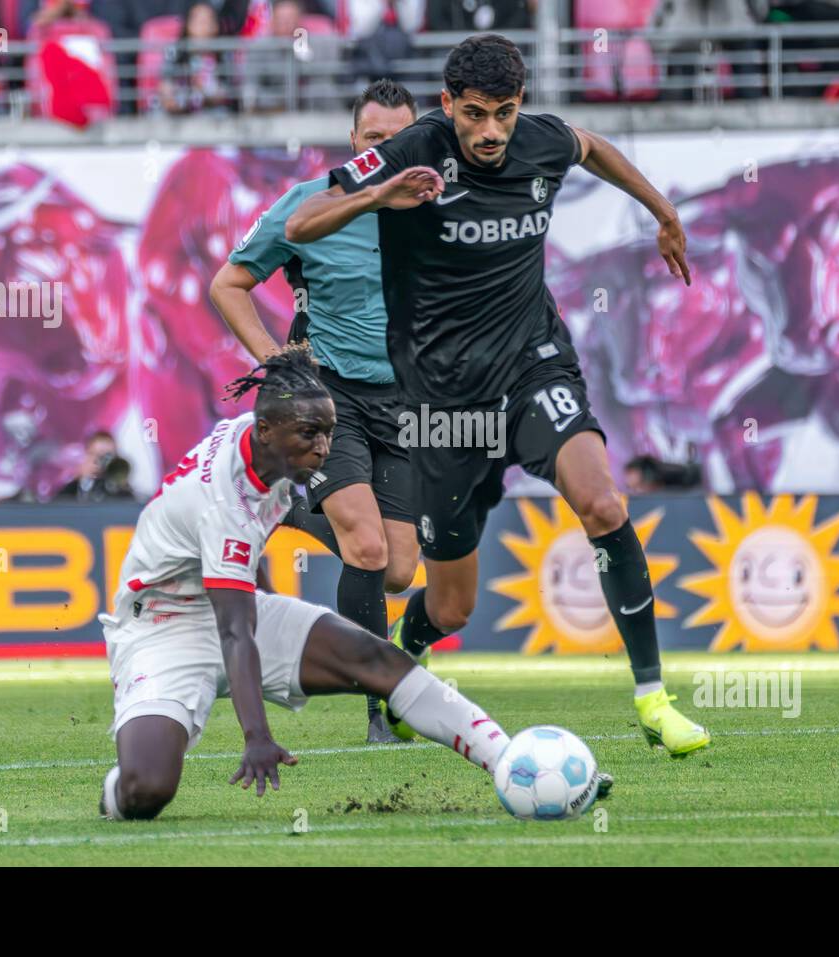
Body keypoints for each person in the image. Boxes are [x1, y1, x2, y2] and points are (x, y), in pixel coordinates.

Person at [285, 33, 710, 756]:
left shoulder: (540, 143)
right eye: (475, 114)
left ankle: (652, 697)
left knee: (603, 502)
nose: (489, 132)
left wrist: (661, 210)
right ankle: (409, 641)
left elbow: (593, 146)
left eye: (504, 114)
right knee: (450, 601)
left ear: (522, 107)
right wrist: (383, 195)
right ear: (448, 105)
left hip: (531, 367)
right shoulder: (409, 149)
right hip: (442, 405)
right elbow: (302, 223)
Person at [98, 345, 514, 819]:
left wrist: (279, 615)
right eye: (310, 433)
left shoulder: (258, 445)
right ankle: (118, 787)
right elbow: (236, 631)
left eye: (329, 432)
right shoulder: (222, 503)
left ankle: (512, 762)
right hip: (162, 629)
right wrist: (257, 737)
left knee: (378, 659)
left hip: (230, 606)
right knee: (146, 791)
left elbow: (249, 549)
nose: (323, 446)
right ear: (267, 430)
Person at [210, 78, 420, 744]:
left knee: (396, 568)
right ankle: (378, 706)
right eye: (375, 138)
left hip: (410, 401)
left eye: (402, 138)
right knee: (363, 544)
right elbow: (230, 283)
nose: (388, 149)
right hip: (333, 396)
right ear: (354, 142)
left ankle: (295, 506)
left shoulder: (440, 204)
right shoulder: (307, 206)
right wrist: (278, 362)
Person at [160, 0, 228, 114]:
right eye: (197, 20)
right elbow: (165, 86)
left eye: (206, 21)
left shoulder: (222, 54)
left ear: (215, 26)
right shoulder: (175, 51)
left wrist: (203, 90)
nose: (202, 25)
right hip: (178, 114)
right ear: (188, 24)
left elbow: (224, 93)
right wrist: (173, 102)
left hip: (210, 114)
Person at [56, 429, 121, 502]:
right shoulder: (67, 493)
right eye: (94, 454)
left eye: (107, 457)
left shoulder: (124, 495)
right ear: (85, 456)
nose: (99, 462)